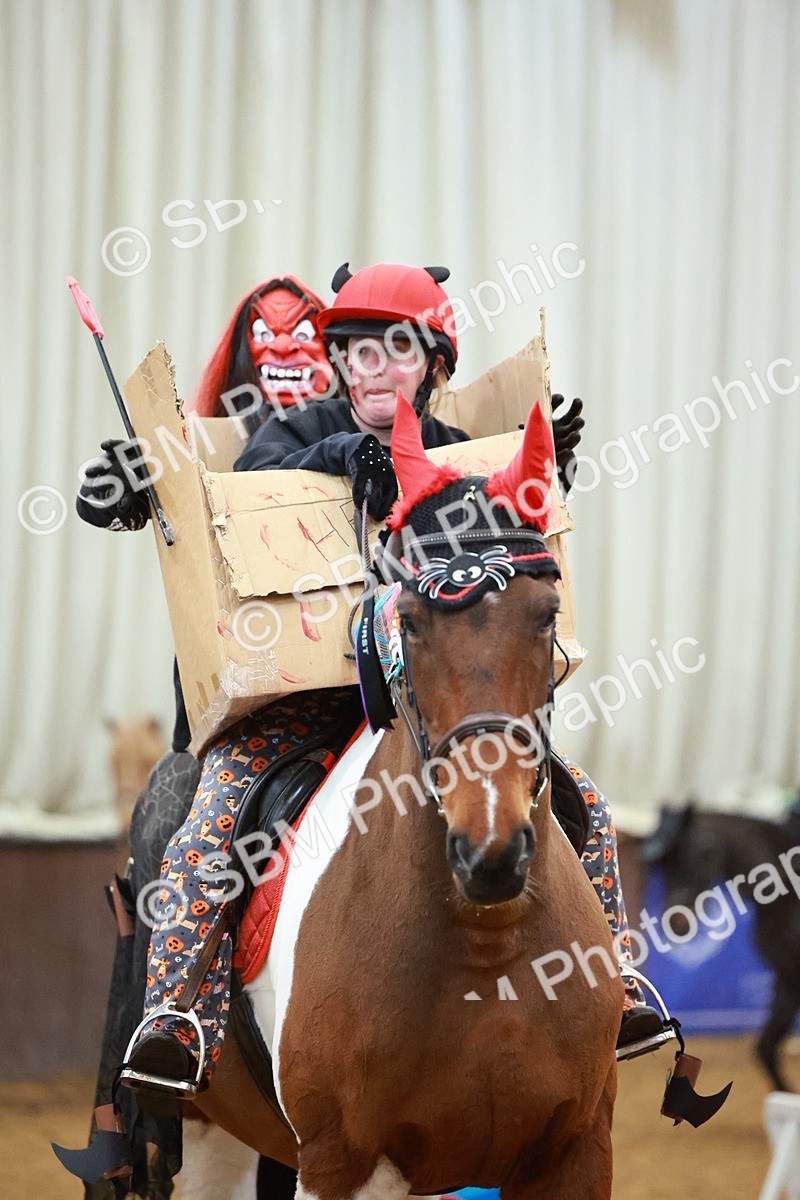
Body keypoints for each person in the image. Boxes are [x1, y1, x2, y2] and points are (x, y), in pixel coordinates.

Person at [102, 262, 672, 1112]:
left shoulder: (456, 453)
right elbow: (256, 485)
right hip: (302, 713)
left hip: (432, 710)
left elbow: (515, 565)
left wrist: (549, 469)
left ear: (433, 361)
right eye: (354, 351)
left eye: (394, 349)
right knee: (207, 824)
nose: (371, 367)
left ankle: (617, 980)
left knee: (581, 799)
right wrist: (342, 454)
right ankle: (178, 1012)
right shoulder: (292, 430)